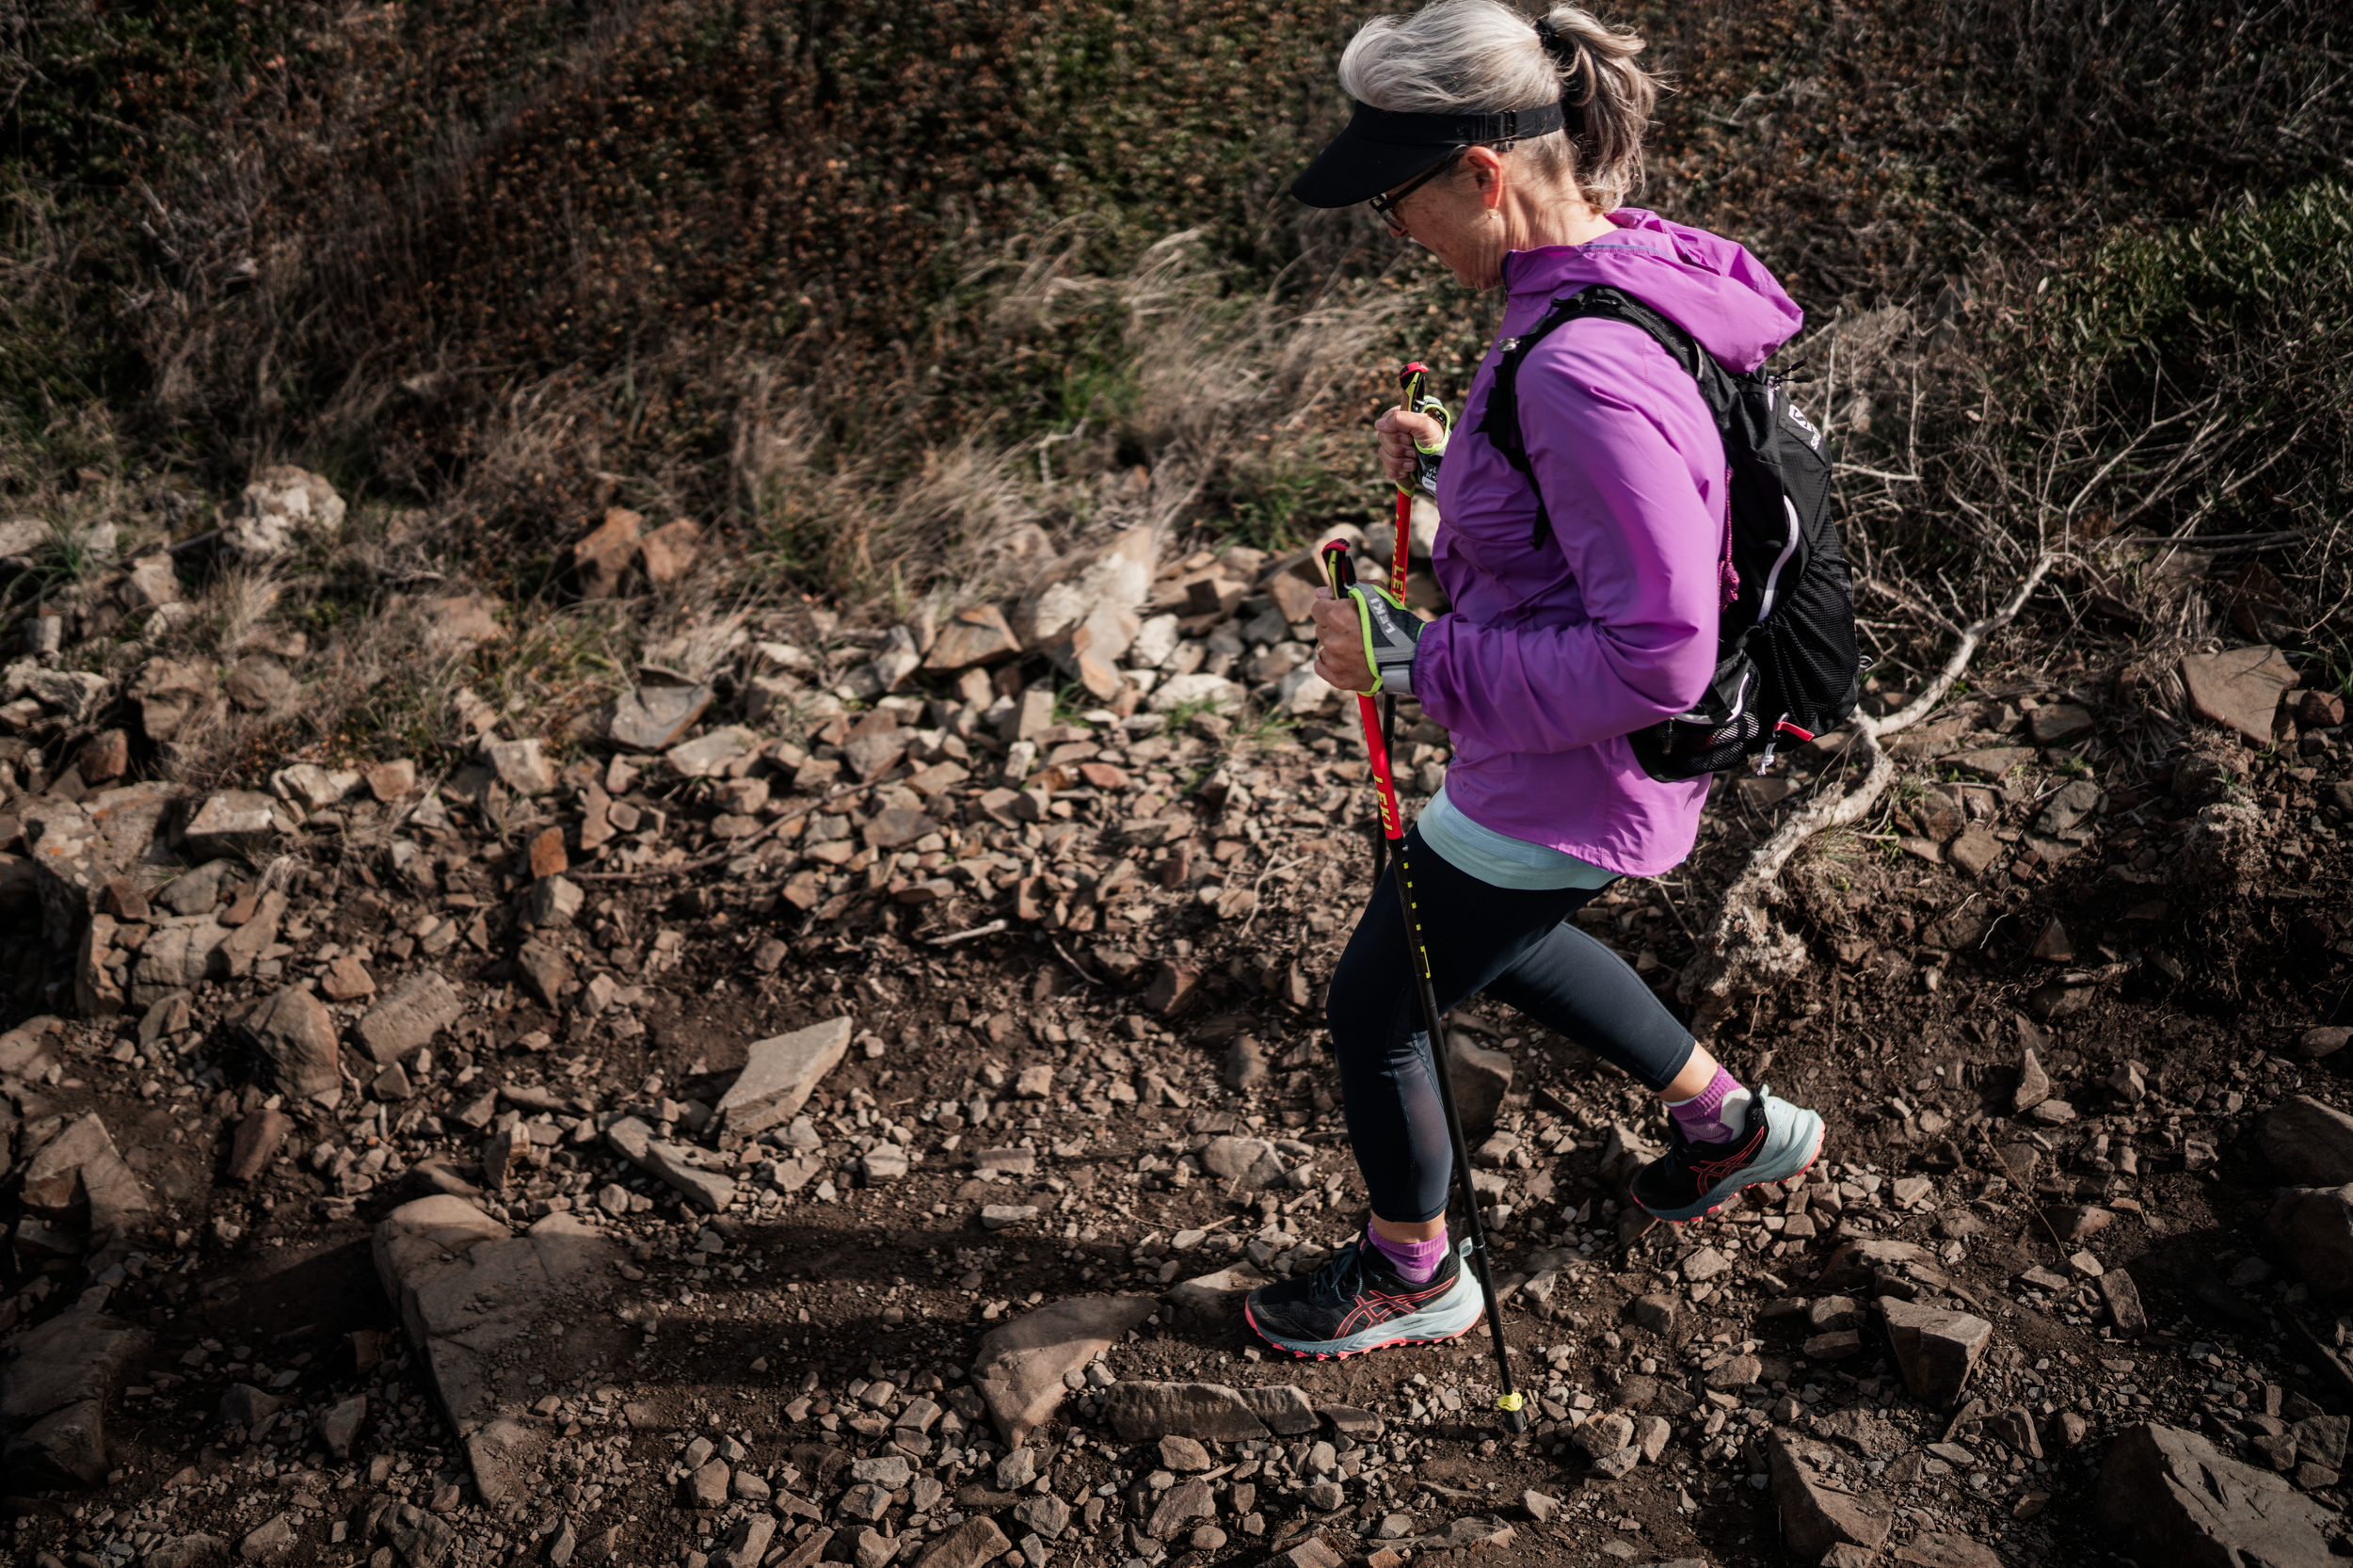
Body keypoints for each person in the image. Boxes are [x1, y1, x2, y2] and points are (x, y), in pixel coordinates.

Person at [1241, 0, 1827, 1361]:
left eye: (1397, 203)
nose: (1395, 235)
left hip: (1574, 767)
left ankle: (1414, 1269)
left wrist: (1405, 654)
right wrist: (1460, 475)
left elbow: (1656, 650)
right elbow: (1595, 532)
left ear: (1482, 173)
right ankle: (1728, 1125)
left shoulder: (1577, 364)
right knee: (1494, 943)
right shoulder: (1599, 275)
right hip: (1560, 761)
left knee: (1376, 1006)